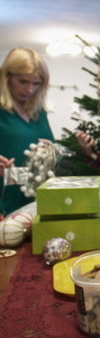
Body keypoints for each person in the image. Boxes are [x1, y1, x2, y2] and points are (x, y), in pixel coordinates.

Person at [0, 47, 53, 214]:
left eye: (36, 83)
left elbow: (53, 148)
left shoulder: (39, 112)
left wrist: (52, 151)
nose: (29, 90)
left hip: (35, 200)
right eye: (23, 82)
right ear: (6, 77)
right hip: (4, 202)